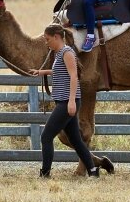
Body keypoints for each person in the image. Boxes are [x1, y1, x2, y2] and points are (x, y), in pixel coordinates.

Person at [32, 24, 99, 178]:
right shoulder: (60, 52)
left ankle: (45, 173)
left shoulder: (67, 52)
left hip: (66, 102)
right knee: (76, 140)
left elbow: (74, 76)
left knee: (46, 136)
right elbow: (59, 71)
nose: (46, 43)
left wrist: (71, 102)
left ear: (56, 37)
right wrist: (42, 72)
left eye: (48, 39)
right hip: (64, 100)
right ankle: (93, 171)